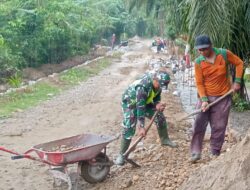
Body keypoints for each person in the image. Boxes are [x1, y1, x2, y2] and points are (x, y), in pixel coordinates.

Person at [191, 35, 244, 162]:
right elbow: (199, 83)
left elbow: (239, 63)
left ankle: (215, 151)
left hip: (223, 96)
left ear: (211, 46)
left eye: (204, 49)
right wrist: (204, 100)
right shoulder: (199, 62)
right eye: (200, 50)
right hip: (206, 97)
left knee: (219, 125)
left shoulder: (224, 54)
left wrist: (237, 81)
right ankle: (195, 152)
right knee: (198, 122)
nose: (202, 52)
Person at [115, 71, 178, 166]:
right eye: (159, 85)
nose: (159, 87)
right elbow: (140, 108)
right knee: (129, 126)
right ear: (154, 79)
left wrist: (157, 104)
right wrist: (141, 127)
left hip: (145, 101)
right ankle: (121, 155)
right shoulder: (142, 87)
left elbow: (156, 97)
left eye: (161, 86)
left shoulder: (158, 86)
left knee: (159, 116)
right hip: (130, 103)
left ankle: (165, 139)